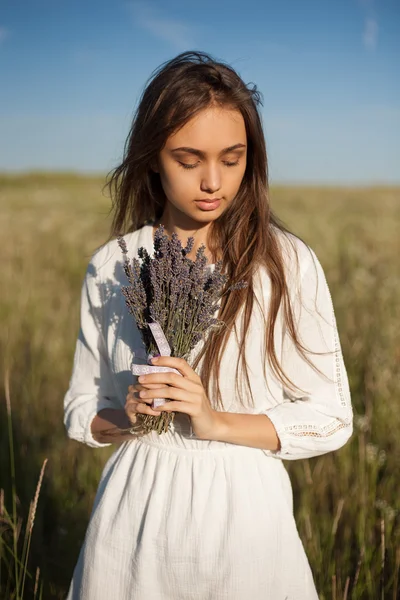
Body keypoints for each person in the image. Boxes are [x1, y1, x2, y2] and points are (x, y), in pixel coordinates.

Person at [64, 50, 353, 599]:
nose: (213, 181)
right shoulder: (113, 264)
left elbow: (330, 417)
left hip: (244, 519)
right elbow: (82, 408)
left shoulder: (285, 264)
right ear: (153, 158)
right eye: (188, 159)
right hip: (134, 517)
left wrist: (213, 420)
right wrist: (127, 415)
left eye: (233, 157)